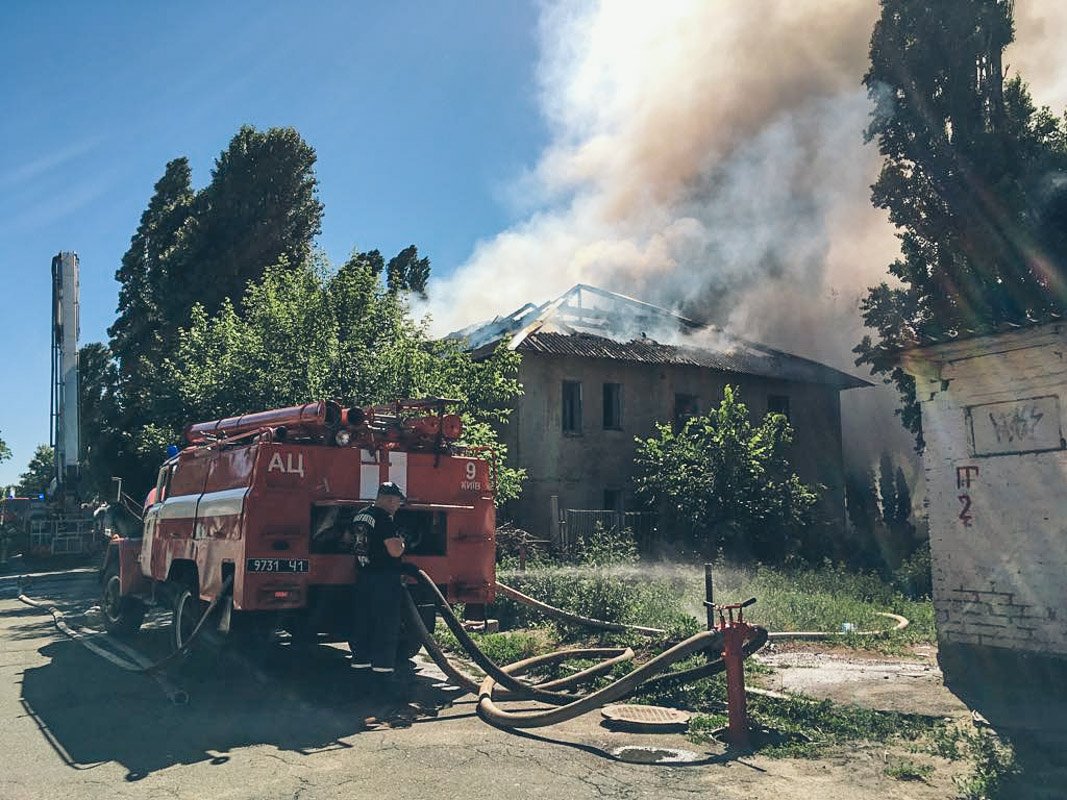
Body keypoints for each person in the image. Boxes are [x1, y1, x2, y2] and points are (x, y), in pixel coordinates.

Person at [349, 481, 408, 693]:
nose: (398, 506)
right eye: (398, 502)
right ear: (389, 499)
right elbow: (394, 551)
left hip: (363, 577)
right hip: (384, 580)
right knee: (385, 627)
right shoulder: (383, 519)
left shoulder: (360, 515)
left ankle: (360, 673)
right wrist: (402, 541)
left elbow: (349, 539)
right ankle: (383, 679)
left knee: (363, 625)